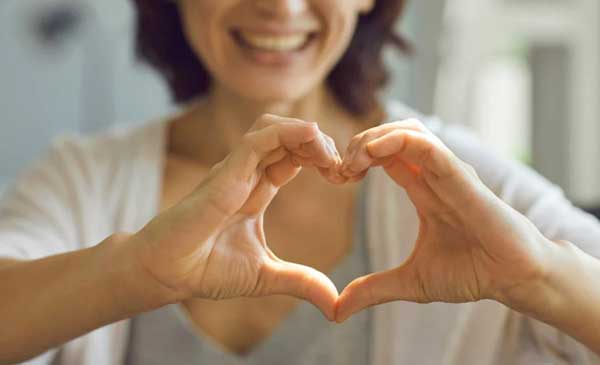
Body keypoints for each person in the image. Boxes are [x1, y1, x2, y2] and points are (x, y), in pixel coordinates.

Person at [1, 0, 599, 364]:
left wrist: (538, 276)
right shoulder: (85, 179)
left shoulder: (464, 180)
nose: (280, 8)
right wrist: (134, 272)